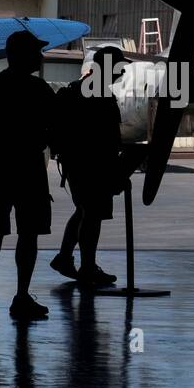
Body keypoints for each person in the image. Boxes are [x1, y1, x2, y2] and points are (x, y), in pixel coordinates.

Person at [0, 30, 55, 320]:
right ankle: (20, 296)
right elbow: (54, 126)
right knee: (28, 233)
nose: (40, 57)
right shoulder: (39, 90)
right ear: (23, 54)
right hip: (29, 167)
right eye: (35, 52)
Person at [49, 47, 129, 289]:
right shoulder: (95, 93)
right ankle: (87, 267)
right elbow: (102, 137)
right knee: (91, 215)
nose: (122, 71)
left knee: (84, 212)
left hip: (80, 165)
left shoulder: (84, 88)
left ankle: (66, 258)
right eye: (118, 66)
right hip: (92, 166)